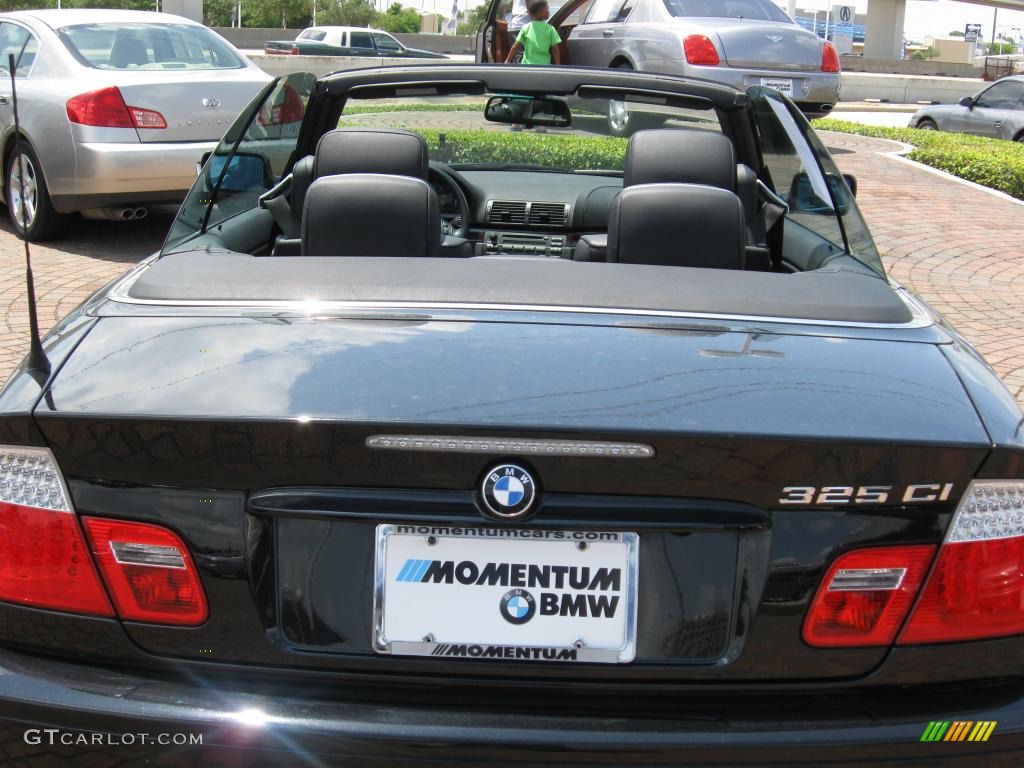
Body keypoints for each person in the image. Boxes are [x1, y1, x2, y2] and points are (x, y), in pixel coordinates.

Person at [505, 0, 562, 66]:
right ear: (541, 12)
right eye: (547, 9)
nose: (549, 12)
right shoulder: (550, 29)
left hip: (527, 66)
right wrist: (558, 65)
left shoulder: (525, 28)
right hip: (544, 66)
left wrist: (508, 60)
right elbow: (555, 49)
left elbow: (515, 46)